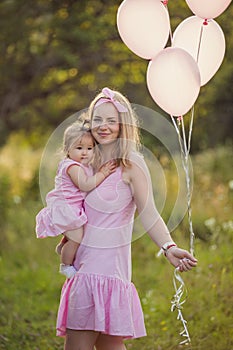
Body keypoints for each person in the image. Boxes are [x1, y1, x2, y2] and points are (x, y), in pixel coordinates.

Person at [55, 87, 198, 349]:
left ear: (123, 125)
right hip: (82, 264)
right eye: (98, 119)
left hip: (107, 270)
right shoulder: (86, 159)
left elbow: (149, 212)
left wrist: (169, 246)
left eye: (112, 120)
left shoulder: (131, 163)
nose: (104, 126)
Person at [36, 117, 116, 279]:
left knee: (77, 231)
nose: (85, 152)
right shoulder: (72, 167)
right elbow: (85, 185)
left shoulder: (80, 165)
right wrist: (103, 173)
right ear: (67, 149)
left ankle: (64, 244)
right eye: (79, 148)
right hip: (66, 208)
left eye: (89, 148)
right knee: (77, 237)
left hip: (71, 206)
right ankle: (65, 266)